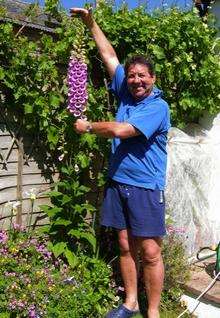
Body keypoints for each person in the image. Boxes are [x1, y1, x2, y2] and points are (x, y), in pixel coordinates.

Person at [71, 7, 170, 318]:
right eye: (132, 75)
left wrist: (87, 126)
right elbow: (108, 53)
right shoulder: (125, 93)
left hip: (145, 187)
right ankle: (130, 302)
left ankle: (152, 312)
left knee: (151, 252)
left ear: (153, 78)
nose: (136, 80)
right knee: (125, 245)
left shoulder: (157, 106)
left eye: (142, 76)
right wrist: (90, 22)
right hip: (118, 182)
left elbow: (121, 130)